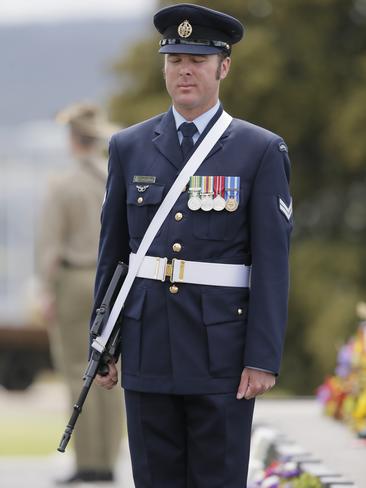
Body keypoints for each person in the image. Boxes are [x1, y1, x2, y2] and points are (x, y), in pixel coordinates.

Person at [93, 3, 293, 487]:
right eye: (175, 58)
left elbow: (271, 263)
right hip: (147, 349)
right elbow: (114, 253)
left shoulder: (260, 150)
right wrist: (100, 342)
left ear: (223, 67)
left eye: (198, 60)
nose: (185, 69)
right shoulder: (129, 146)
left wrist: (262, 357)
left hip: (220, 353)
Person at [37, 103, 123, 484]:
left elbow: (49, 247)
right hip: (111, 282)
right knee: (109, 370)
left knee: (77, 370)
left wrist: (44, 289)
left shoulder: (64, 184)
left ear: (73, 139)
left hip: (73, 281)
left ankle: (88, 461)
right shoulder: (112, 177)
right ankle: (107, 459)